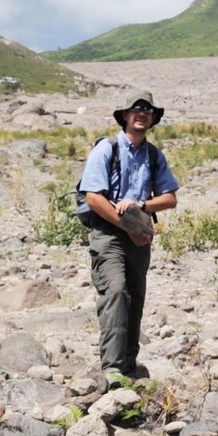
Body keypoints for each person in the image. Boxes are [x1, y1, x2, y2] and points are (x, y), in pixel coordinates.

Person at [78, 90, 178, 383]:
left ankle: (130, 366)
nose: (141, 114)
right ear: (124, 116)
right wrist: (126, 223)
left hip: (139, 235)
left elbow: (170, 198)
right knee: (117, 291)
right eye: (136, 109)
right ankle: (112, 369)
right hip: (109, 233)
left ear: (153, 118)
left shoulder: (154, 155)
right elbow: (93, 197)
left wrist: (141, 207)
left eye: (147, 110)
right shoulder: (106, 149)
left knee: (135, 298)